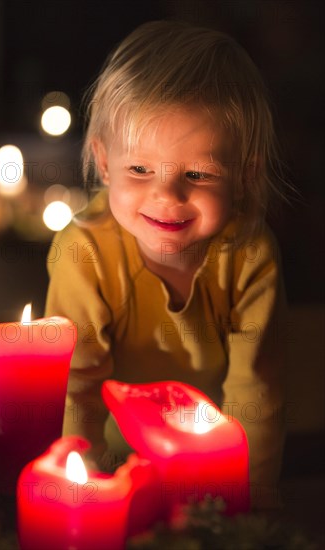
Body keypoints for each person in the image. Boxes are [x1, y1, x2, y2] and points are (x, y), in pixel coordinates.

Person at [45, 20, 288, 509]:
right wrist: (81, 492)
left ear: (245, 175)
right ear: (105, 161)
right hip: (111, 469)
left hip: (211, 481)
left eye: (197, 173)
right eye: (139, 169)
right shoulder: (84, 251)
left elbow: (254, 393)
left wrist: (251, 506)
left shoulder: (249, 255)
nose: (166, 195)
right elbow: (77, 388)